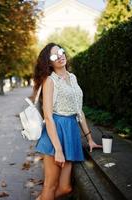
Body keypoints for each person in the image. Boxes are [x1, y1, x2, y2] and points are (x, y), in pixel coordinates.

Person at [33, 43, 102, 200]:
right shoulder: (50, 81)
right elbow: (48, 116)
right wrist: (58, 149)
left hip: (71, 132)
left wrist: (89, 138)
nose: (60, 56)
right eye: (53, 55)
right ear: (48, 62)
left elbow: (79, 110)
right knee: (50, 186)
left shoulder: (73, 77)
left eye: (61, 52)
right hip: (55, 133)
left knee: (65, 188)